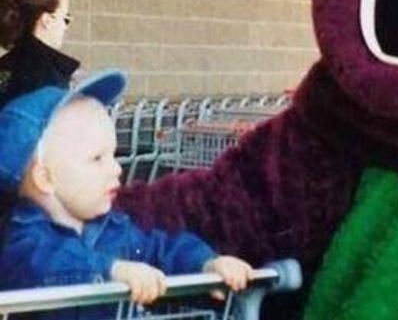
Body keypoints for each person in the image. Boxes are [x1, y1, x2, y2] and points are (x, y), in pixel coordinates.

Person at [0, 70, 253, 318]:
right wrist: (112, 271)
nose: (116, 168)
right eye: (97, 158)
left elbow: (162, 246)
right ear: (45, 178)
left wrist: (206, 263)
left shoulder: (116, 229)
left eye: (114, 154)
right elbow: (47, 264)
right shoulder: (22, 243)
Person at [0, 0, 78, 108]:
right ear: (47, 20)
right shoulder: (48, 77)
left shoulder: (4, 65)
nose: (65, 27)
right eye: (66, 19)